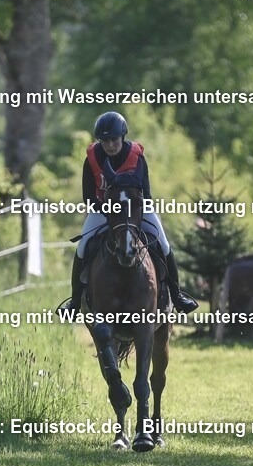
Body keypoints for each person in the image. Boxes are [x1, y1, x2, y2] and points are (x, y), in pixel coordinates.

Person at [60, 111, 199, 314]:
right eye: (104, 141)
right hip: (104, 210)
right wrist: (111, 213)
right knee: (83, 247)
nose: (109, 145)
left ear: (122, 136)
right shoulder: (91, 159)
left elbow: (147, 194)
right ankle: (74, 302)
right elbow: (89, 197)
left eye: (114, 140)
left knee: (163, 244)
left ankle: (177, 295)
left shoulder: (136, 156)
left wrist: (130, 213)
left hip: (136, 209)